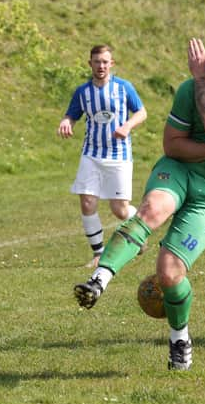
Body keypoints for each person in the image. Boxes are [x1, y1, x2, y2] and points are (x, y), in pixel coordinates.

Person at [74, 32, 205, 371]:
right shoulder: (189, 90)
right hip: (179, 169)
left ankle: (179, 340)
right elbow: (173, 146)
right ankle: (100, 279)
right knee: (153, 209)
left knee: (168, 274)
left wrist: (204, 91)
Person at [57, 45, 147, 267]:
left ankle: (142, 228)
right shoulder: (82, 92)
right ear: (90, 64)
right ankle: (99, 253)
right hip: (91, 154)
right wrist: (66, 122)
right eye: (97, 61)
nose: (101, 66)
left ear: (112, 64)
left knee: (120, 210)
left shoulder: (123, 88)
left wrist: (127, 126)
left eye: (105, 62)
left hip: (119, 154)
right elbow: (72, 115)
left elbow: (142, 112)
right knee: (87, 201)